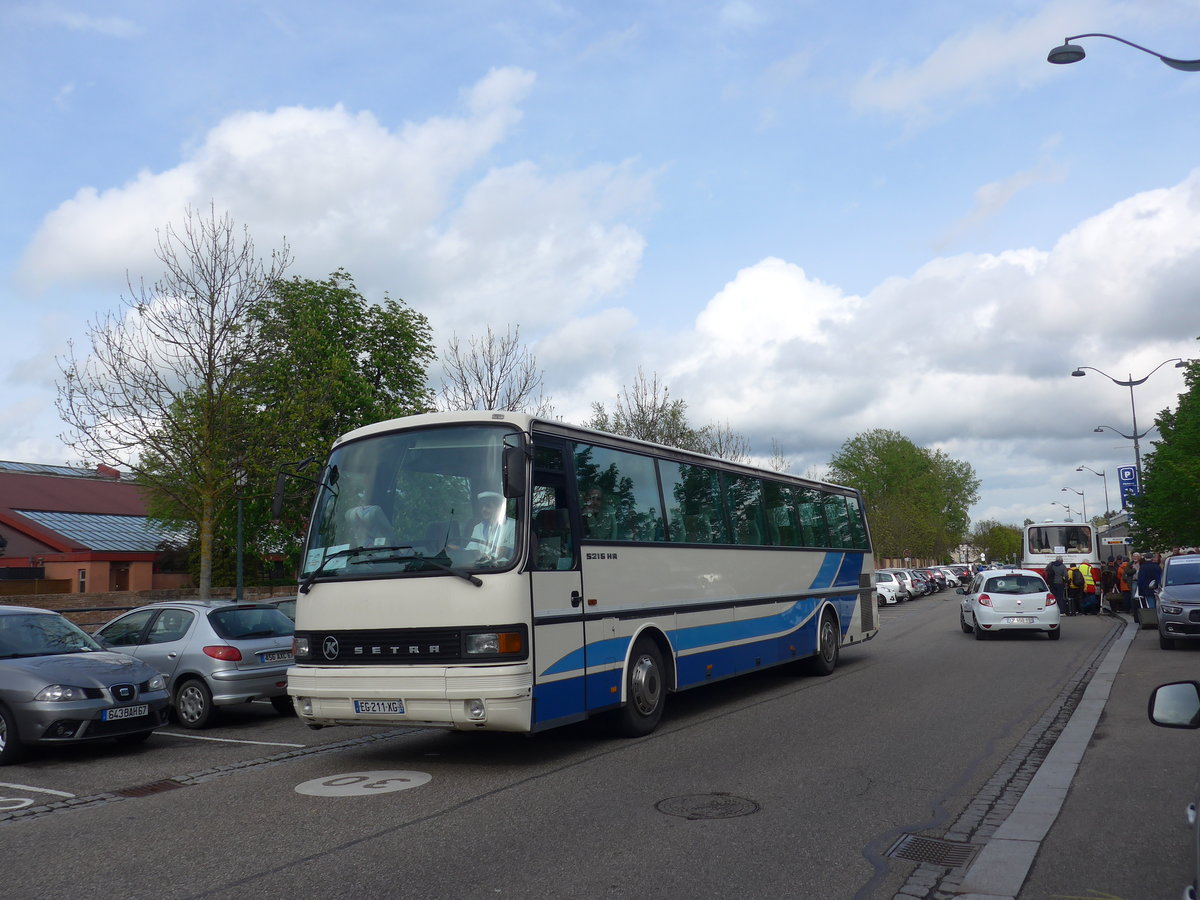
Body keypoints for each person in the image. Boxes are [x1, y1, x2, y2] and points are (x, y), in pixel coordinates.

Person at [465, 491, 516, 562]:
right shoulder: (478, 527)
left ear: (499, 508)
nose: (483, 509)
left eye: (488, 506)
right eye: (482, 506)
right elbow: (471, 549)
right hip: (481, 568)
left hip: (504, 569)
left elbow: (516, 552)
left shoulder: (513, 525)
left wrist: (506, 550)